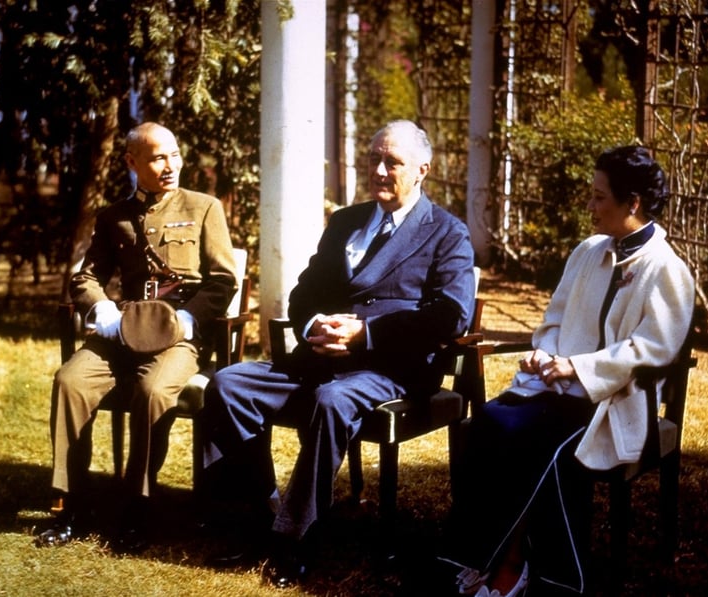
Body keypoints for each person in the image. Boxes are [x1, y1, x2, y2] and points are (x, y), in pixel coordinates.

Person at [198, 120, 477, 588]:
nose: (380, 170)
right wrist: (313, 325)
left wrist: (365, 334)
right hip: (322, 359)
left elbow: (451, 314)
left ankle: (295, 537)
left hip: (392, 368)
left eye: (393, 162)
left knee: (333, 402)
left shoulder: (446, 232)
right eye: (374, 158)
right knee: (228, 385)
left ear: (422, 170)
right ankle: (254, 513)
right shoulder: (347, 221)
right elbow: (303, 294)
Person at [438, 146, 695, 596]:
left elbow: (653, 351)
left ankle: (524, 570)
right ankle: (472, 557)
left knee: (546, 449)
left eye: (599, 197)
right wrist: (546, 355)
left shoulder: (667, 270)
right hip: (555, 391)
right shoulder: (587, 252)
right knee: (489, 423)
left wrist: (576, 367)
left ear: (631, 202)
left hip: (614, 404)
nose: (590, 206)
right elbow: (554, 320)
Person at [34, 122, 237, 552]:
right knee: (69, 381)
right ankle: (68, 505)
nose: (170, 166)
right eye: (158, 158)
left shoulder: (204, 208)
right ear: (132, 162)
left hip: (178, 336)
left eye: (175, 155)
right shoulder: (114, 217)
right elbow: (86, 278)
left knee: (151, 391)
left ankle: (136, 506)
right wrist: (102, 310)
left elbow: (223, 280)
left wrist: (187, 320)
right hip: (123, 330)